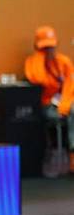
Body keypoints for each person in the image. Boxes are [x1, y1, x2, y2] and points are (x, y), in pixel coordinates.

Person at [24, 25, 74, 173]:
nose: (49, 51)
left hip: (65, 103)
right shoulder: (32, 62)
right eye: (44, 48)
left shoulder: (63, 61)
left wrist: (64, 105)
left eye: (51, 47)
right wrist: (41, 58)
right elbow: (38, 79)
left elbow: (70, 85)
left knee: (73, 111)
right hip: (46, 106)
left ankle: (72, 156)